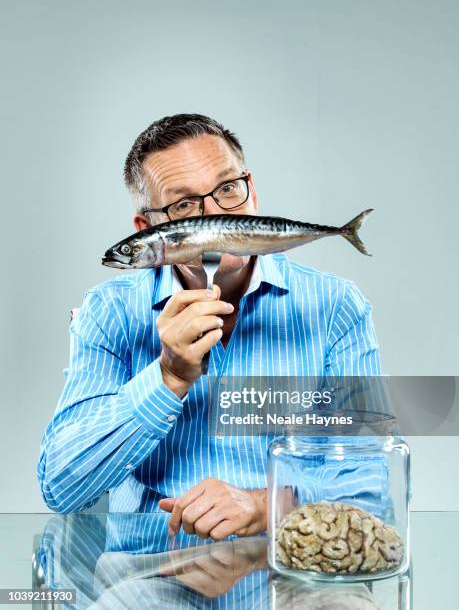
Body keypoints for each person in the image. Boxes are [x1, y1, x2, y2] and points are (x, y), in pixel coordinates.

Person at [38, 114, 381, 544]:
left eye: (227, 190)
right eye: (184, 206)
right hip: (149, 574)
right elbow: (62, 487)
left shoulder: (336, 307)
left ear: (251, 191)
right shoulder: (108, 313)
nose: (215, 216)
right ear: (148, 229)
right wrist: (168, 377)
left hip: (292, 564)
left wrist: (264, 505)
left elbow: (373, 481)